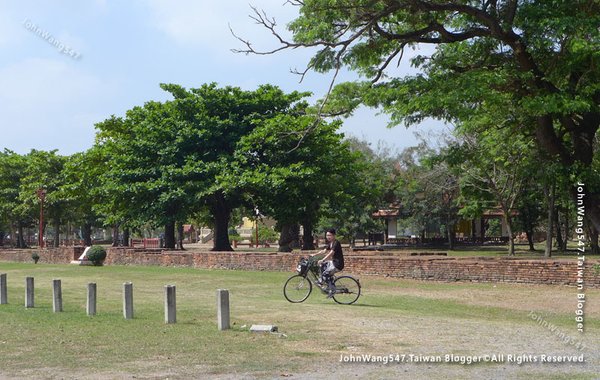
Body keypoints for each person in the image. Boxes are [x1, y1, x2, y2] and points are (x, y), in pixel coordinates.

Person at [311, 228, 344, 297]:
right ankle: (323, 281)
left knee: (326, 274)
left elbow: (331, 253)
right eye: (327, 235)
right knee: (322, 265)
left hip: (338, 264)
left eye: (330, 235)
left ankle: (332, 290)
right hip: (333, 262)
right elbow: (324, 251)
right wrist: (314, 254)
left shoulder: (336, 243)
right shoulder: (331, 243)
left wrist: (323, 259)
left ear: (334, 235)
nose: (328, 237)